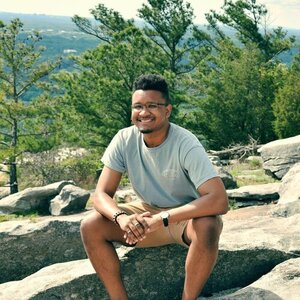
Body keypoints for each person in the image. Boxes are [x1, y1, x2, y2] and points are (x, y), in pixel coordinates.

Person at [80, 74, 228, 300]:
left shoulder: (185, 142)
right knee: (91, 224)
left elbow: (218, 199)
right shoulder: (124, 139)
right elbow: (100, 195)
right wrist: (121, 218)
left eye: (152, 106)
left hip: (184, 218)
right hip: (146, 213)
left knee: (208, 225)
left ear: (167, 110)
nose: (144, 112)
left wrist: (163, 218)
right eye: (138, 106)